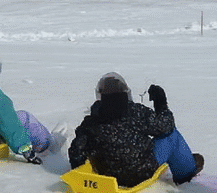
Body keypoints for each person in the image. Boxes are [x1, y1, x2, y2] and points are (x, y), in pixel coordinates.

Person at [66, 72, 203, 186]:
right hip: (143, 171)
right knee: (171, 136)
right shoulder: (135, 112)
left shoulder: (90, 122)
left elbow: (76, 153)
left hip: (108, 174)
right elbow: (166, 126)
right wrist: (161, 103)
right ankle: (186, 173)